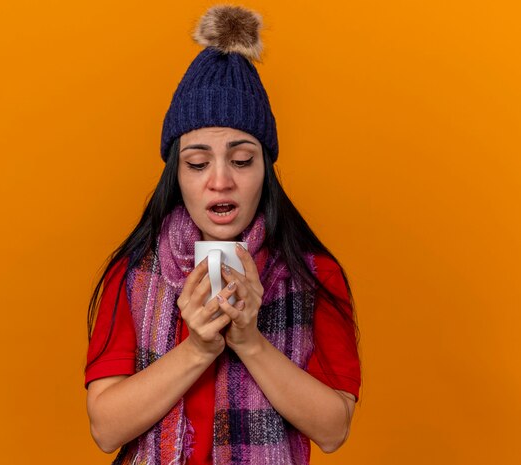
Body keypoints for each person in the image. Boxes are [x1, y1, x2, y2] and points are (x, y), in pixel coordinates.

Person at [84, 5, 361, 464]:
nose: (219, 180)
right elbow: (105, 428)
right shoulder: (134, 274)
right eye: (197, 163)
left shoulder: (314, 275)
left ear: (266, 171)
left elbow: (333, 429)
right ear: (177, 175)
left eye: (242, 159)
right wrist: (198, 348)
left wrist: (249, 340)